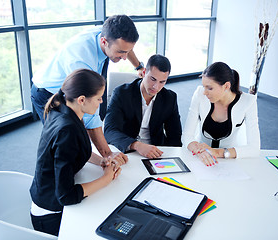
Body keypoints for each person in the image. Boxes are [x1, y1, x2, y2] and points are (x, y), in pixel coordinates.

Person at [31, 14, 143, 162]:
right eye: (121, 52)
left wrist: (138, 66)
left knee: (90, 121)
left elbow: (125, 46)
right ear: (104, 42)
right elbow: (91, 118)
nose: (124, 57)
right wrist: (108, 154)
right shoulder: (81, 61)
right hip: (47, 92)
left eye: (127, 52)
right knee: (66, 139)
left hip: (74, 85)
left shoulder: (107, 32)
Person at [30, 69, 121, 236]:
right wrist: (106, 179)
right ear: (81, 100)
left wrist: (100, 160)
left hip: (45, 195)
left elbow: (72, 151)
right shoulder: (67, 130)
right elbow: (66, 196)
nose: (101, 101)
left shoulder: (63, 109)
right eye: (98, 98)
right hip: (52, 216)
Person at [182, 62, 260, 167]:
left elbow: (254, 148)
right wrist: (199, 150)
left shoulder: (248, 101)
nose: (205, 92)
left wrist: (218, 152)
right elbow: (186, 135)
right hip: (199, 156)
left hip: (229, 159)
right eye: (204, 86)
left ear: (226, 86)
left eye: (209, 88)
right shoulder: (200, 94)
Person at [104, 54, 182, 158]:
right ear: (144, 72)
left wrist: (171, 158)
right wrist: (136, 145)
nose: (156, 87)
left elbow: (175, 136)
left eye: (162, 82)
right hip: (126, 150)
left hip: (155, 152)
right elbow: (110, 131)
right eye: (153, 79)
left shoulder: (169, 98)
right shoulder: (122, 93)